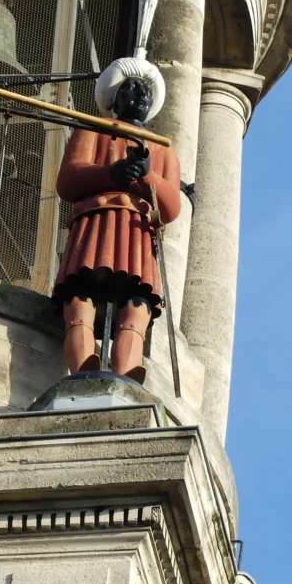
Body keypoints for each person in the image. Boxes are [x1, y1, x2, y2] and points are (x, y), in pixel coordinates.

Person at [51, 64, 180, 381]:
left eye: (146, 92)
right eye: (133, 87)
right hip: (97, 222)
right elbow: (67, 181)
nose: (141, 95)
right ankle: (82, 365)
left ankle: (126, 367)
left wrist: (148, 174)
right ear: (112, 98)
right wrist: (111, 173)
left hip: (136, 230)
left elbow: (171, 206)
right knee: (80, 293)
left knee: (137, 303)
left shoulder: (162, 148)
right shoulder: (93, 129)